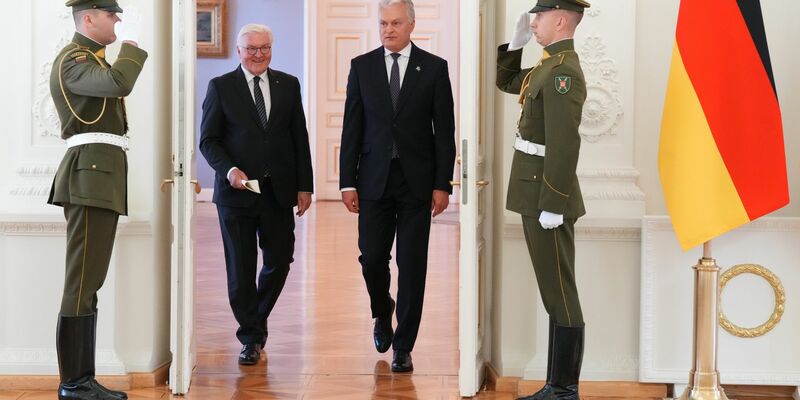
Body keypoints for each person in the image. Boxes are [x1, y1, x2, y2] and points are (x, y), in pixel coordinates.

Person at [339, 0, 455, 373]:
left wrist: (442, 184)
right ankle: (381, 309)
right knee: (372, 257)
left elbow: (444, 133)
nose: (388, 29)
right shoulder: (362, 67)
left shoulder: (435, 69)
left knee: (412, 264)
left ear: (411, 25)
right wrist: (346, 182)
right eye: (383, 23)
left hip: (417, 184)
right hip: (372, 180)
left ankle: (403, 345)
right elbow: (352, 127)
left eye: (395, 23)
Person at [48, 0, 147, 398]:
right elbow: (118, 84)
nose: (118, 20)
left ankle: (83, 381)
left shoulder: (91, 59)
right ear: (88, 17)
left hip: (98, 178)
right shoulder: (74, 59)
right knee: (82, 282)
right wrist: (133, 48)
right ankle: (74, 383)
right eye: (111, 14)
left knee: (89, 281)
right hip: (89, 178)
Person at [199, 23, 313, 366]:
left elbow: (299, 138)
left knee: (280, 260)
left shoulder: (288, 85)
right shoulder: (220, 87)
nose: (258, 54)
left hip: (277, 192)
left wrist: (304, 185)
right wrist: (230, 170)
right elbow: (208, 140)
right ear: (239, 51)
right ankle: (250, 337)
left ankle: (255, 318)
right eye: (251, 49)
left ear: (271, 49)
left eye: (264, 48)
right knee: (241, 268)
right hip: (236, 194)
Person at [496, 0, 590, 399]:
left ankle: (564, 389)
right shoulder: (545, 66)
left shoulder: (563, 73)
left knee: (560, 292)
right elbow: (506, 82)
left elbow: (565, 145)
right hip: (533, 191)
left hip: (545, 197)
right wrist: (515, 43)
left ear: (561, 19)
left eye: (538, 16)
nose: (533, 22)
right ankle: (556, 385)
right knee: (553, 292)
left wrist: (553, 201)